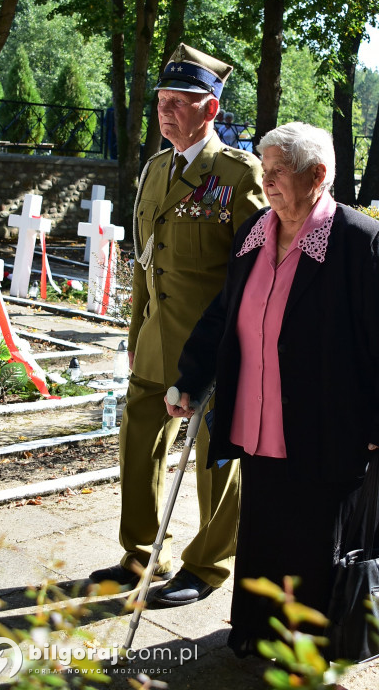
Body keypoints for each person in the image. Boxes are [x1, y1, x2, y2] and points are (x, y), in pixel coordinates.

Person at [165, 122, 379, 653]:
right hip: (256, 422)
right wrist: (189, 378)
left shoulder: (360, 240)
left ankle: (311, 644)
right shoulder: (256, 231)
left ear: (317, 175)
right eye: (265, 168)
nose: (268, 179)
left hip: (326, 427)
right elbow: (223, 316)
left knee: (312, 543)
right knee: (263, 535)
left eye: (280, 170)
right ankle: (256, 630)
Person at [90, 44, 265, 605]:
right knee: (137, 445)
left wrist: (240, 353)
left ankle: (207, 565)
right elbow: (147, 263)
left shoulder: (238, 175)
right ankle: (142, 552)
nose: (165, 112)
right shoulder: (155, 169)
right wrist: (136, 335)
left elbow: (253, 274)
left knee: (216, 461)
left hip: (214, 347)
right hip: (156, 339)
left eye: (179, 102)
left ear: (209, 110)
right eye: (161, 101)